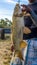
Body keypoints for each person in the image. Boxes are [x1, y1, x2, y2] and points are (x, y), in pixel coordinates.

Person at [21, 0, 37, 65]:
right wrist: (15, 41)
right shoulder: (25, 7)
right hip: (21, 41)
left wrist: (30, 12)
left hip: (33, 41)